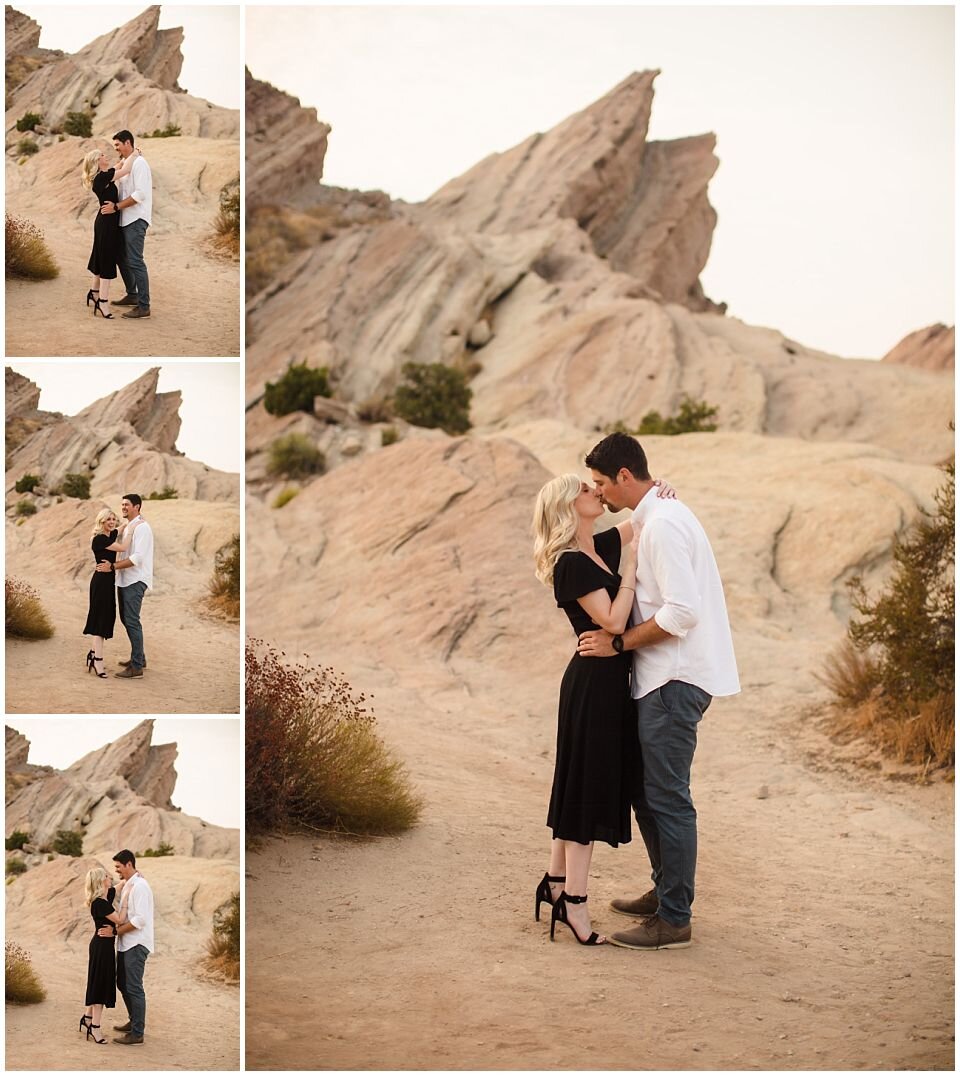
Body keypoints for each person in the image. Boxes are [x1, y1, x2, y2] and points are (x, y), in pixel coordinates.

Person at [578, 432, 740, 951]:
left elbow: (681, 613)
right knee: (645, 791)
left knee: (667, 798)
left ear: (626, 476)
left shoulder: (665, 524)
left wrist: (618, 641)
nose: (599, 494)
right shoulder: (657, 515)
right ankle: (665, 890)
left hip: (674, 679)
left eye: (603, 483)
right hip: (659, 677)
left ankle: (674, 919)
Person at [532, 474, 675, 946]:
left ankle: (554, 882)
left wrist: (661, 491)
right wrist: (631, 570)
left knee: (577, 782)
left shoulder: (598, 545)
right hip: (592, 685)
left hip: (606, 683)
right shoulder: (571, 563)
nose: (595, 492)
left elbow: (637, 519)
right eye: (584, 489)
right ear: (568, 507)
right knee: (587, 788)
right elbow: (612, 621)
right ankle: (575, 903)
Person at [96, 850, 153, 1045]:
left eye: (119, 867)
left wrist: (115, 932)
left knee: (134, 987)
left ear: (128, 864)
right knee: (122, 984)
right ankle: (134, 1021)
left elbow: (140, 919)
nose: (117, 871)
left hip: (136, 943)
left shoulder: (141, 887)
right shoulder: (130, 884)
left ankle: (137, 1033)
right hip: (125, 944)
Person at [96, 494, 153, 678]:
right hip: (125, 579)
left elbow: (138, 558)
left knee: (132, 621)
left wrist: (112, 566)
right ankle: (139, 658)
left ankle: (137, 667)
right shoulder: (130, 526)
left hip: (135, 580)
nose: (123, 507)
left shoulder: (142, 527)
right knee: (127, 619)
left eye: (126, 504)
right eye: (122, 504)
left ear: (137, 506)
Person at [81, 146, 141, 319]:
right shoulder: (101, 179)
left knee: (101, 257)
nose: (105, 155)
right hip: (106, 224)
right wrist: (135, 154)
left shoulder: (103, 177)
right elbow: (126, 169)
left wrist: (125, 157)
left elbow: (119, 165)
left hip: (106, 222)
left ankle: (94, 292)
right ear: (97, 162)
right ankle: (103, 302)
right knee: (107, 261)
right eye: (101, 155)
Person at [83, 507, 142, 677]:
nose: (111, 523)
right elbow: (123, 547)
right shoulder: (100, 539)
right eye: (107, 520)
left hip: (108, 581)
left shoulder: (109, 534)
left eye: (113, 519)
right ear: (101, 522)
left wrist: (128, 523)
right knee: (100, 621)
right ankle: (98, 662)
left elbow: (118, 529)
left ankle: (93, 654)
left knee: (104, 617)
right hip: (101, 582)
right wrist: (132, 530)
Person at [100, 130, 152, 320]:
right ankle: (132, 294)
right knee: (121, 257)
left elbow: (140, 195)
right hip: (124, 219)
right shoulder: (129, 162)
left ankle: (144, 306)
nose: (116, 148)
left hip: (136, 219)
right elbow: (114, 173)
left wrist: (116, 207)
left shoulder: (140, 164)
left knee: (136, 261)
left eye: (117, 145)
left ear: (127, 142)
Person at [80, 866, 130, 1044]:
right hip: (101, 947)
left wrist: (129, 880)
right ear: (101, 881)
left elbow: (117, 888)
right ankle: (95, 1027)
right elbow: (120, 920)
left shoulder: (104, 897)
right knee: (100, 984)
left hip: (103, 946)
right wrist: (124, 904)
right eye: (107, 876)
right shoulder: (99, 903)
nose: (110, 878)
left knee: (97, 980)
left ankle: (87, 1018)